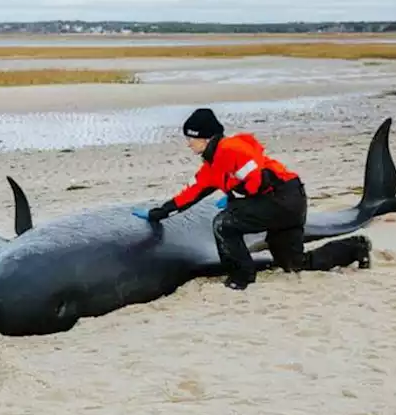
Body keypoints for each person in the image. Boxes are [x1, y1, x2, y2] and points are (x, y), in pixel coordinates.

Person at [145, 108, 372, 290]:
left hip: (283, 199)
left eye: (190, 138)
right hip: (283, 202)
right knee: (293, 264)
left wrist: (235, 196)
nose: (188, 143)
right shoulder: (212, 166)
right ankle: (355, 248)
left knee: (224, 223)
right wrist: (163, 211)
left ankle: (241, 277)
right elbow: (193, 192)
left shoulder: (232, 150)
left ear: (204, 138)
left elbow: (257, 179)